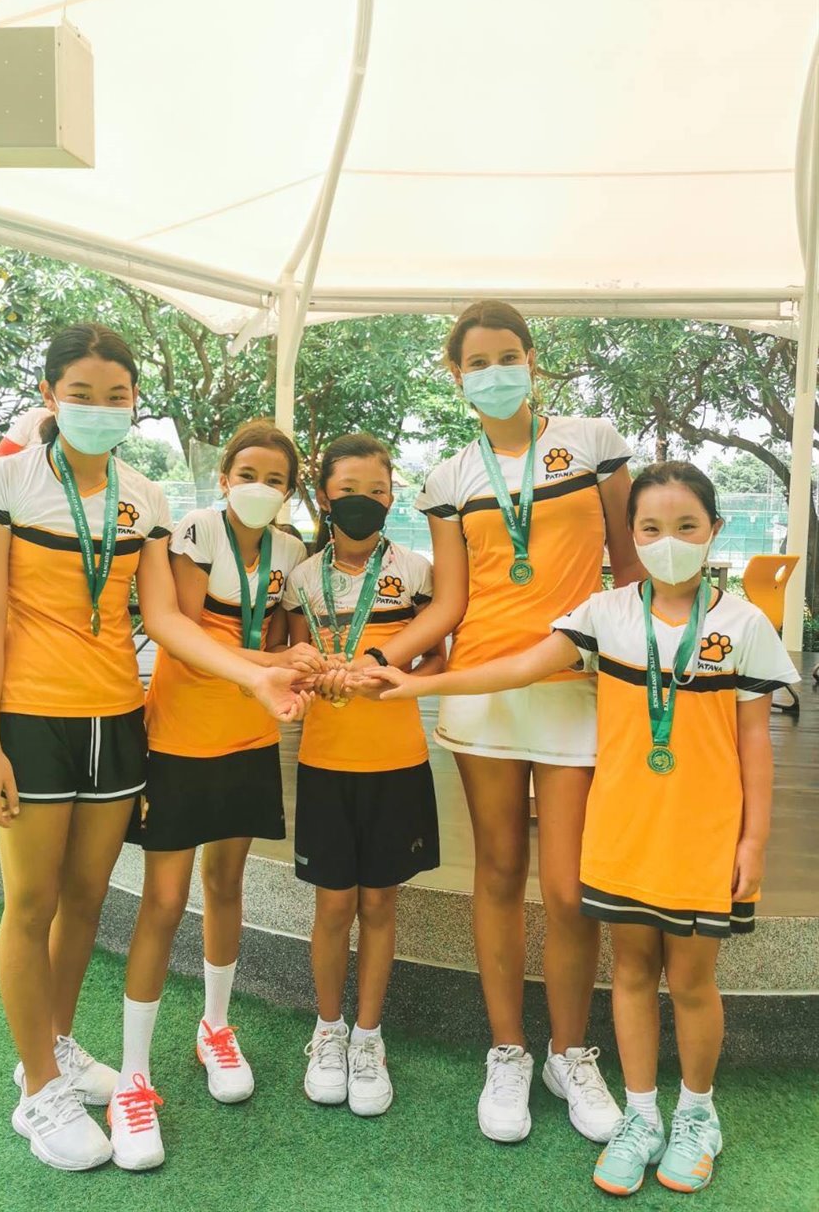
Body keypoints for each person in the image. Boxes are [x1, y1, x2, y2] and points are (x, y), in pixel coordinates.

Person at [365, 461, 799, 1195]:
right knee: (630, 973)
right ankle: (641, 1115)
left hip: (704, 836)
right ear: (628, 534)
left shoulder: (744, 625)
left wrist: (752, 840)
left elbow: (756, 741)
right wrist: (420, 684)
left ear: (714, 530)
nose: (668, 542)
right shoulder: (605, 614)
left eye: (686, 526)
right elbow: (517, 669)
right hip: (621, 830)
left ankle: (698, 1115)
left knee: (692, 981)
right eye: (651, 528)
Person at [0, 326, 310, 1174]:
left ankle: (56, 1045)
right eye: (82, 393)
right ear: (50, 395)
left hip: (118, 717)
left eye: (116, 396)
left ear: (133, 404)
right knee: (31, 902)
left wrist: (257, 673)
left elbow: (164, 619)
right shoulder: (4, 482)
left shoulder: (143, 497)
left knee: (86, 899)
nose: (100, 408)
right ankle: (38, 1090)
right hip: (30, 721)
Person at [363, 300, 643, 1144]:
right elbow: (449, 601)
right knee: (497, 871)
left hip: (576, 686)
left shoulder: (592, 442)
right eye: (477, 362)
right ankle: (509, 1050)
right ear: (457, 376)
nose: (494, 372)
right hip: (482, 690)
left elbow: (629, 566)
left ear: (532, 358)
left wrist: (640, 671)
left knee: (567, 887)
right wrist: (379, 660)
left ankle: (570, 1052)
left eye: (507, 355)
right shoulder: (449, 478)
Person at [114, 419, 323, 1169]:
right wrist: (272, 662)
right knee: (164, 902)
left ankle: (215, 1028)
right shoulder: (196, 531)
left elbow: (286, 640)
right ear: (225, 476)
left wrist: (306, 659)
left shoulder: (292, 551)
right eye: (248, 474)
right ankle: (133, 1076)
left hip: (250, 739)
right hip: (179, 738)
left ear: (290, 490)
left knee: (227, 883)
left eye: (276, 479)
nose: (261, 488)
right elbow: (187, 635)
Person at [282, 434, 445, 1118]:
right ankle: (328, 1031)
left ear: (392, 495)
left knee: (380, 905)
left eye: (377, 490)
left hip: (398, 762)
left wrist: (395, 678)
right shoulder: (301, 579)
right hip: (325, 763)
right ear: (325, 496)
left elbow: (437, 661)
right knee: (332, 907)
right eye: (348, 490)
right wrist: (306, 673)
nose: (363, 501)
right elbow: (291, 658)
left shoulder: (417, 571)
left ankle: (368, 1038)